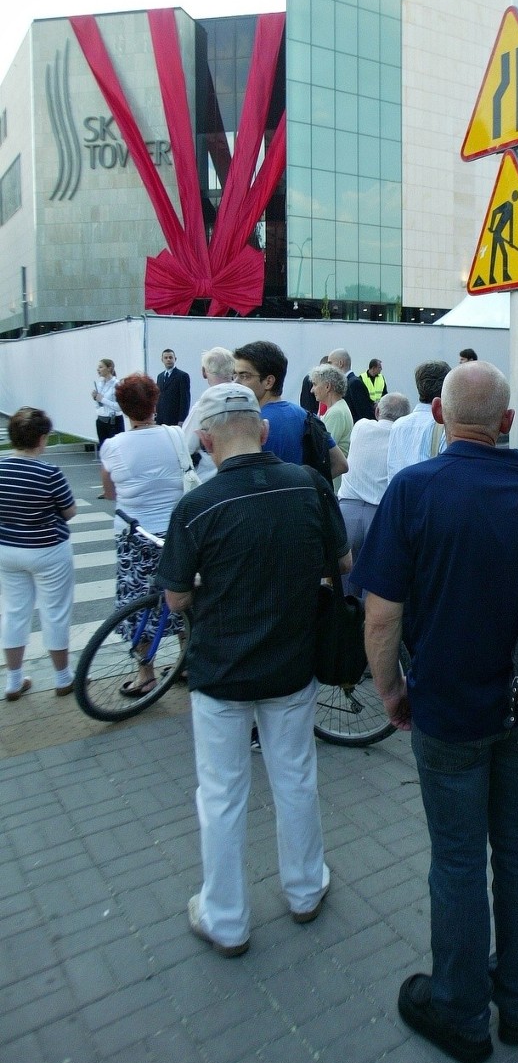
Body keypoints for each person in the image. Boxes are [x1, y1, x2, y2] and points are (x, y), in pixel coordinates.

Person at [352, 362, 518, 1063]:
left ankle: (459, 1009)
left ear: (442, 420)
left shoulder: (413, 489)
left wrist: (389, 692)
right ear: (508, 423)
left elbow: (382, 616)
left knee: (455, 859)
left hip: (447, 709)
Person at [156, 383, 351, 956]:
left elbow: (173, 600)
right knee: (295, 778)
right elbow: (342, 561)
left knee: (220, 793)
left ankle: (225, 918)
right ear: (263, 432)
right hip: (292, 664)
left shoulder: (196, 506)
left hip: (220, 672)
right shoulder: (309, 486)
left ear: (208, 441)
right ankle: (304, 890)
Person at [99, 373, 185, 696]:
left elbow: (109, 493)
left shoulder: (113, 446)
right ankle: (186, 661)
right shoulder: (175, 435)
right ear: (155, 402)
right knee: (181, 596)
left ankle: (145, 673)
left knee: (138, 603)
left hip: (136, 537)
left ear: (122, 407)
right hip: (176, 534)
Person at [1, 407, 76, 700]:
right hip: (47, 549)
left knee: (14, 613)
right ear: (42, 439)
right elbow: (69, 512)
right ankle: (62, 677)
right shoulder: (49, 472)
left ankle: (14, 680)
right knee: (55, 613)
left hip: (7, 550)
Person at [232, 341, 347, 479]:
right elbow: (341, 464)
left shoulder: (249, 425)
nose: (235, 382)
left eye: (245, 376)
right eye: (235, 375)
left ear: (269, 381)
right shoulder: (306, 417)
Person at [338, 392, 411, 594]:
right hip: (379, 514)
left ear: (378, 411)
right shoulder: (403, 437)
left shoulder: (361, 426)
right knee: (374, 585)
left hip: (347, 509)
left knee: (344, 583)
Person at [386, 360, 451, 479]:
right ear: (447, 386)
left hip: (400, 493)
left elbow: (392, 470)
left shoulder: (398, 425)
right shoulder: (445, 427)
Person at [183, 346, 235, 484]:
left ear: (204, 372)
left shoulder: (203, 406)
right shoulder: (248, 399)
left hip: (210, 479)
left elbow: (186, 446)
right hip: (241, 476)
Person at [311, 363, 354, 487]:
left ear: (327, 386)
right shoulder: (338, 408)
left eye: (314, 384)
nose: (312, 390)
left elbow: (321, 451)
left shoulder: (336, 413)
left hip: (332, 484)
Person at [92, 359, 124, 448]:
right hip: (101, 420)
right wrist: (96, 398)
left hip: (113, 422)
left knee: (115, 449)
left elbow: (119, 407)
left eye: (101, 367)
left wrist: (102, 399)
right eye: (98, 367)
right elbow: (100, 404)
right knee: (103, 450)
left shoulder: (117, 384)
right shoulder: (100, 384)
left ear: (109, 368)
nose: (98, 369)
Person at [155, 348, 191, 425]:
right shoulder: (160, 377)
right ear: (162, 360)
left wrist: (182, 419)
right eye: (166, 358)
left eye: (170, 357)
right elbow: (159, 397)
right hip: (161, 419)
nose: (168, 360)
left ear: (175, 359)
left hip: (175, 418)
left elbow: (185, 399)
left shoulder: (182, 376)